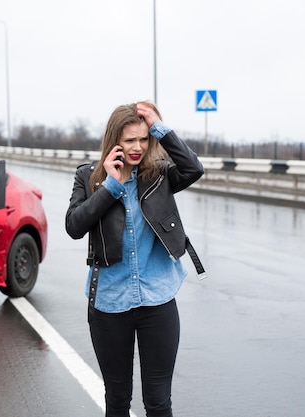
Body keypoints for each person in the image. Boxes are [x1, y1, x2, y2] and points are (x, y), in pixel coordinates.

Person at [65, 101, 206, 417]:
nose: (138, 147)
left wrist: (159, 127)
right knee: (117, 400)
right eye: (130, 140)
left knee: (158, 401)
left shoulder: (159, 174)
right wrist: (111, 186)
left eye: (144, 139)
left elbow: (193, 168)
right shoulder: (89, 177)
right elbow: (74, 226)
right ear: (115, 139)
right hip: (109, 303)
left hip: (157, 300)